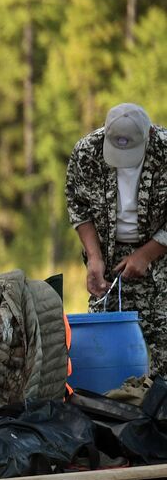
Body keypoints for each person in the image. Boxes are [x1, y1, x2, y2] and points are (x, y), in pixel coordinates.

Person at [66, 102, 167, 378]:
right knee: (102, 349)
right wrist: (94, 257)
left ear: (149, 135)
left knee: (162, 353)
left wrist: (145, 255)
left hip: (161, 262)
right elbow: (78, 206)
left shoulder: (164, 150)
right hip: (109, 261)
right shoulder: (87, 151)